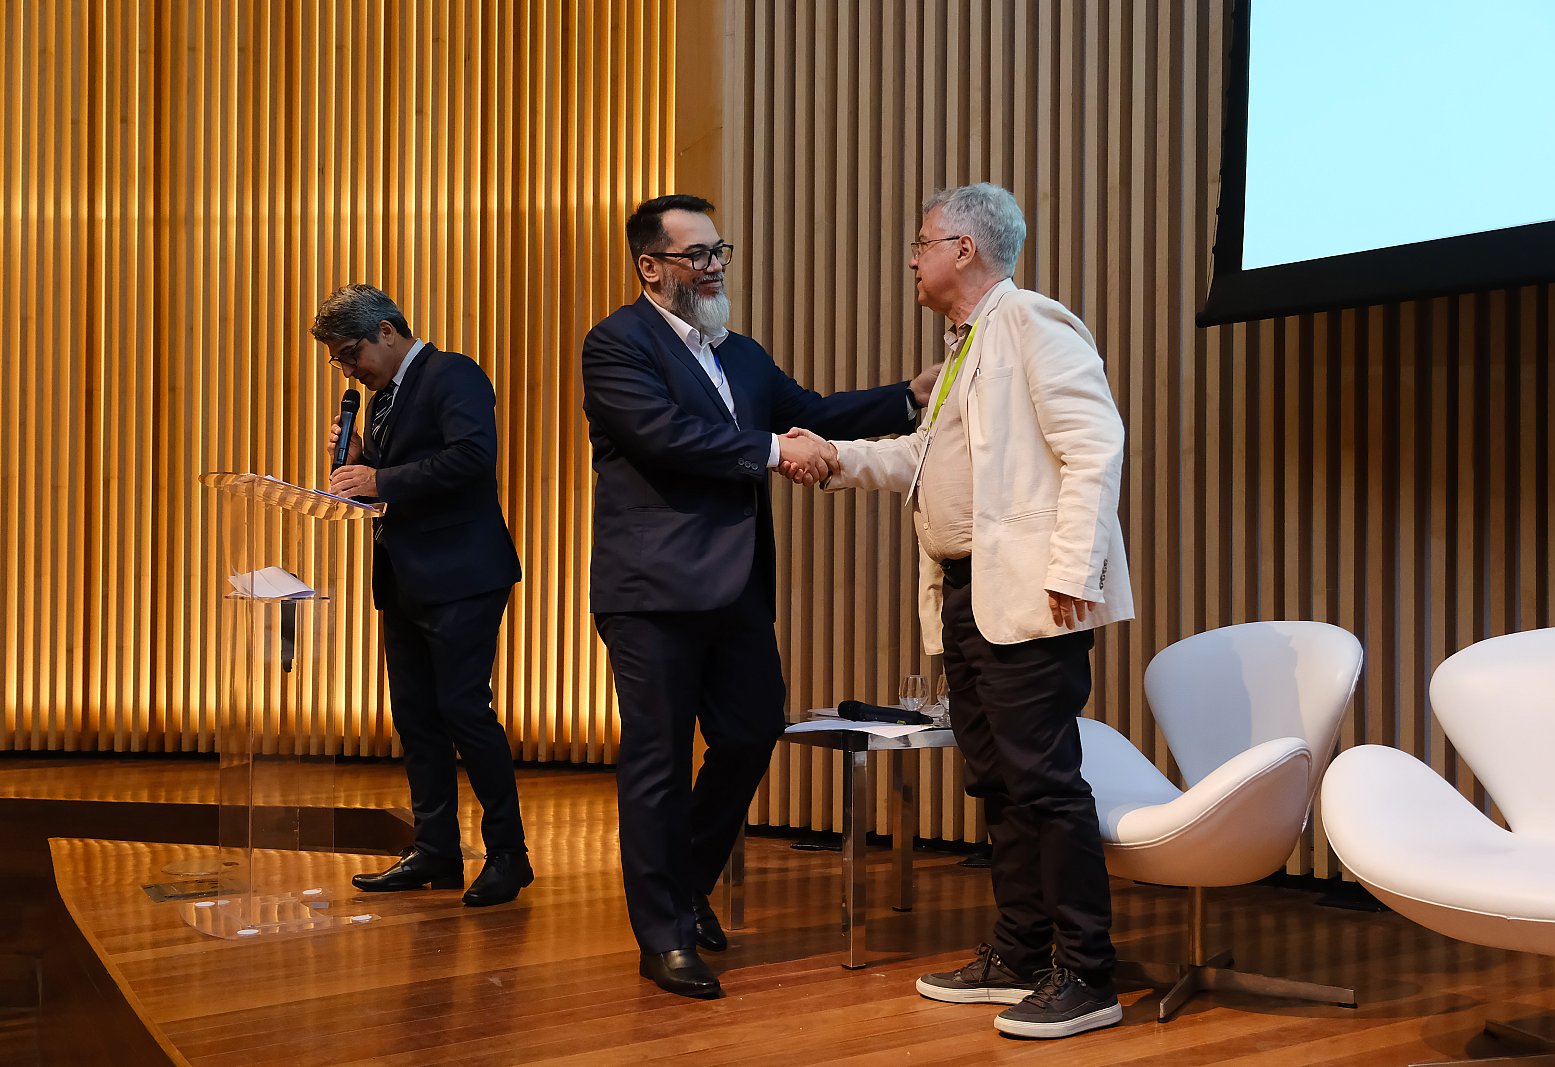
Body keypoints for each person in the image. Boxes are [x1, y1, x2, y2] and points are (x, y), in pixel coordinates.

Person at [784, 183, 1135, 1040]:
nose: (913, 258)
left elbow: (1095, 444)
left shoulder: (1031, 322)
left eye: (923, 242)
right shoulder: (964, 348)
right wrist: (832, 456)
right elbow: (920, 458)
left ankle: (1088, 972)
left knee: (1044, 782)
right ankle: (1019, 950)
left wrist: (1072, 569)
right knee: (996, 781)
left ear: (965, 250)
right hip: (967, 596)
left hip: (1031, 591)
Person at [581, 194, 940, 998]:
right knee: (657, 761)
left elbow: (811, 413)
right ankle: (663, 936)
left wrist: (908, 397)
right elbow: (665, 437)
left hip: (736, 586)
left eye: (720, 252)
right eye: (697, 255)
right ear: (650, 267)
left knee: (749, 732)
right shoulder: (616, 343)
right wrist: (776, 451)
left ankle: (684, 885)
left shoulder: (739, 353)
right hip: (652, 592)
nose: (714, 267)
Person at [315, 283, 533, 908]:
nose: (347, 369)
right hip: (405, 577)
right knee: (415, 717)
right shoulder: (383, 398)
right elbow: (403, 478)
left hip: (462, 576)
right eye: (337, 360)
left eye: (350, 353)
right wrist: (361, 462)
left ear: (387, 331)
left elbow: (472, 458)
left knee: (465, 712)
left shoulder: (452, 373)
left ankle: (509, 855)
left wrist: (379, 476)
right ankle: (435, 848)